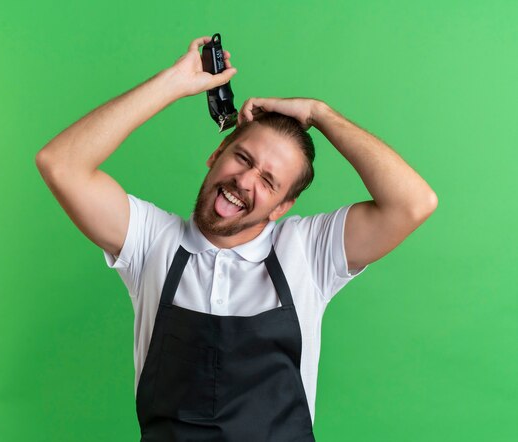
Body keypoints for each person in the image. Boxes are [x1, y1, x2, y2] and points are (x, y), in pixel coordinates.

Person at [35, 35, 438, 441]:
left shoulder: (308, 253)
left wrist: (319, 113)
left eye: (268, 181)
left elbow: (413, 203)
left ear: (283, 206)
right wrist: (174, 82)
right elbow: (61, 164)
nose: (244, 181)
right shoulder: (150, 241)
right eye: (242, 158)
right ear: (216, 155)